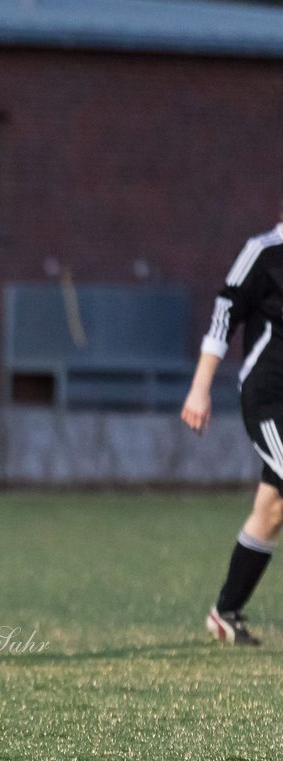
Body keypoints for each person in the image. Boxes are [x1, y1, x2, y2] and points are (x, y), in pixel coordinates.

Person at [182, 214, 283, 646]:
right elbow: (225, 312)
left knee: (274, 508)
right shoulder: (263, 252)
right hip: (269, 399)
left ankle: (226, 613)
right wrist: (200, 387)